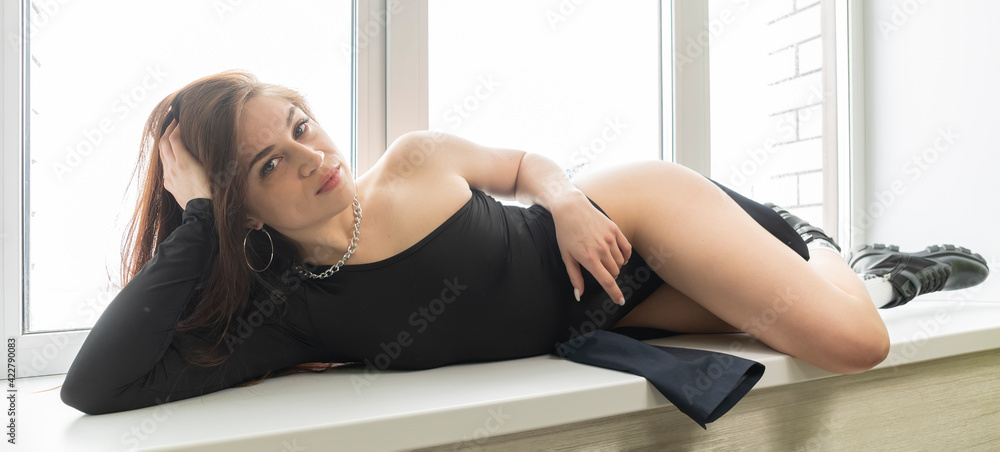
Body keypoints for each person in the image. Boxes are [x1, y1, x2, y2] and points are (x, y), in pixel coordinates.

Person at [60, 71, 989, 421]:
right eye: (271, 162)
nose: (314, 157)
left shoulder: (412, 161)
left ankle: (818, 239)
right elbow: (95, 387)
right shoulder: (290, 310)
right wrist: (187, 218)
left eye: (301, 125)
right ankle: (879, 270)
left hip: (634, 220)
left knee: (851, 347)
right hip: (610, 316)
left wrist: (568, 199)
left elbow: (520, 163)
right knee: (825, 318)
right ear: (239, 208)